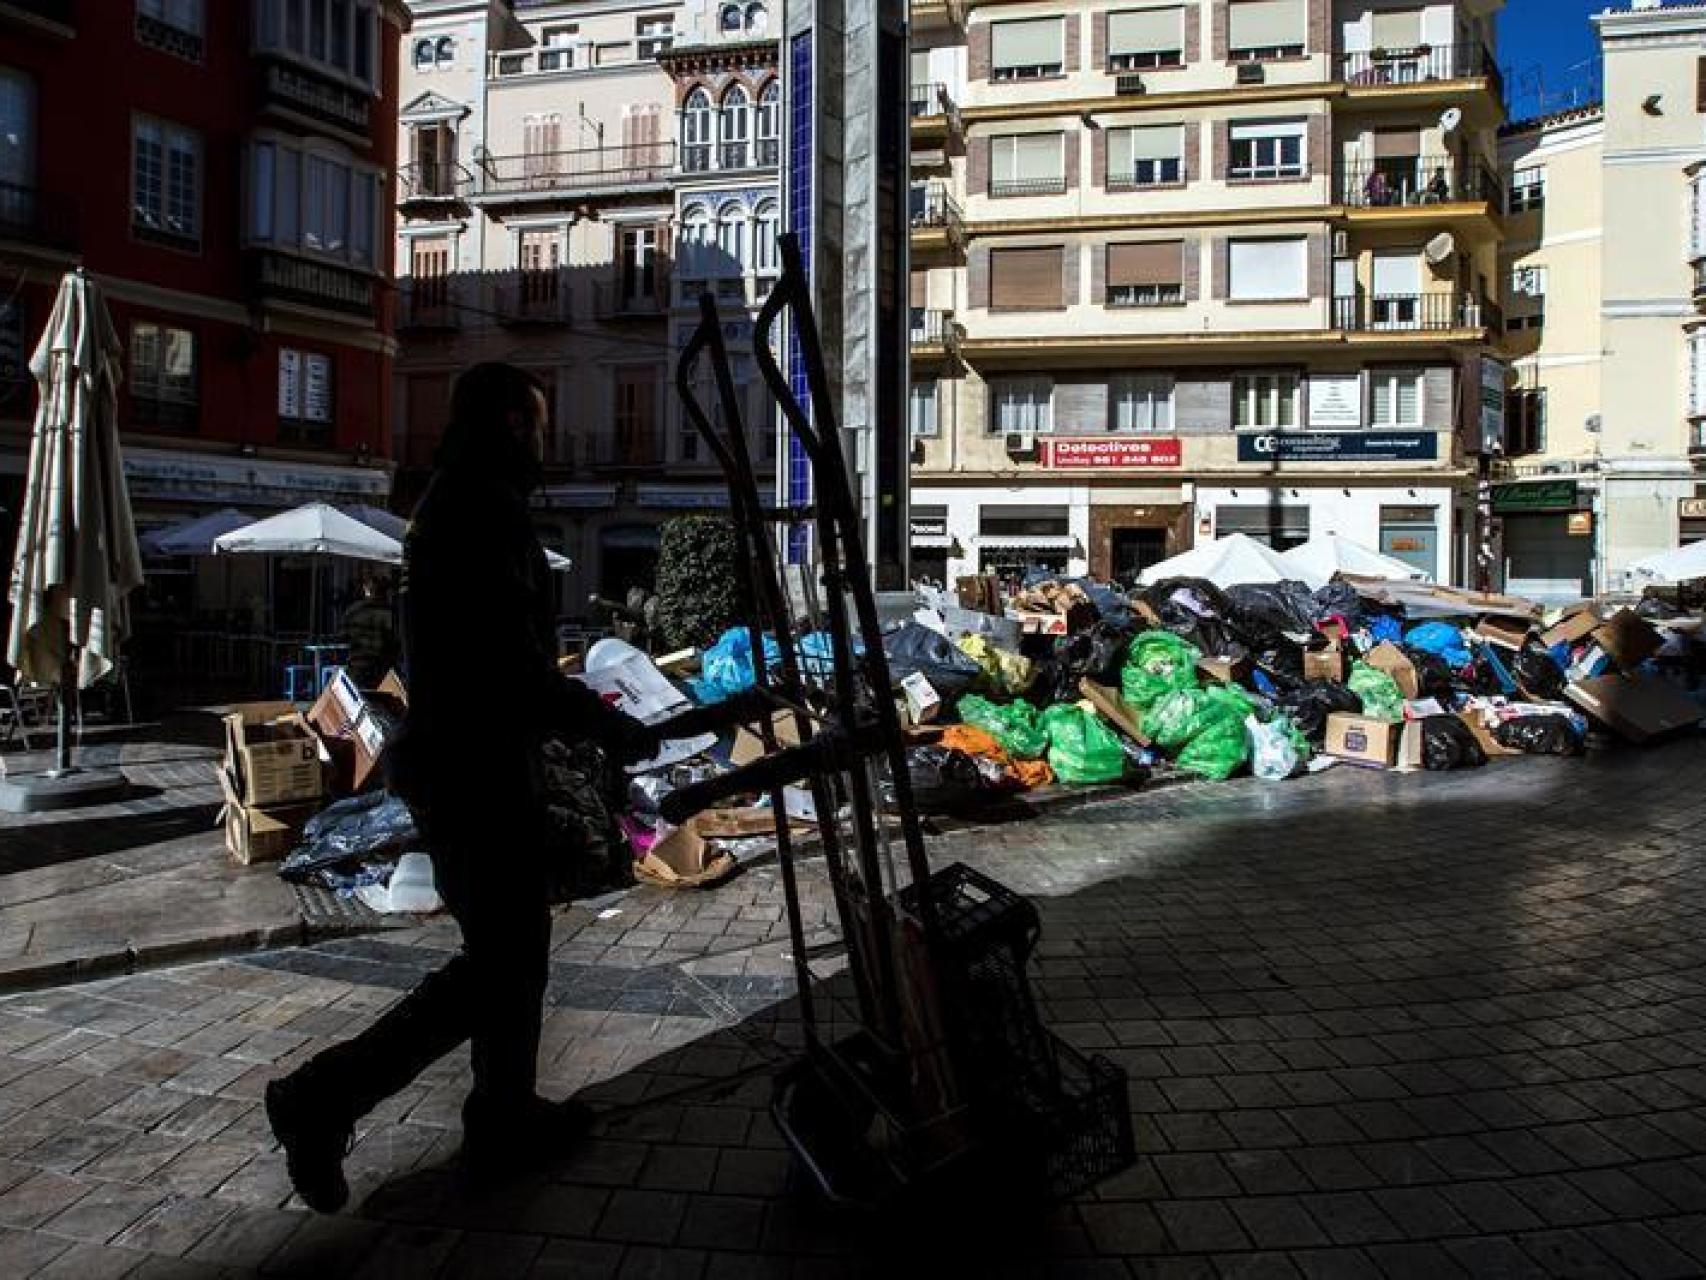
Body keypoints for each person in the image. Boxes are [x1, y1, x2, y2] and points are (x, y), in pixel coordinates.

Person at [265, 363, 661, 1213]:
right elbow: (506, 663)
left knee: (511, 961)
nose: (547, 441)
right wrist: (602, 723)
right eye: (539, 423)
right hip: (473, 767)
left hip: (471, 759)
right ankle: (323, 1098)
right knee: (502, 966)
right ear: (514, 425)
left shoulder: (464, 503)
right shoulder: (478, 512)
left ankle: (502, 1113)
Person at [339, 575, 399, 688]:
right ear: (384, 592)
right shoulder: (391, 613)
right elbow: (396, 642)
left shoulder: (353, 610)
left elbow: (343, 637)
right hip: (382, 670)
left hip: (357, 668)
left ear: (366, 589)